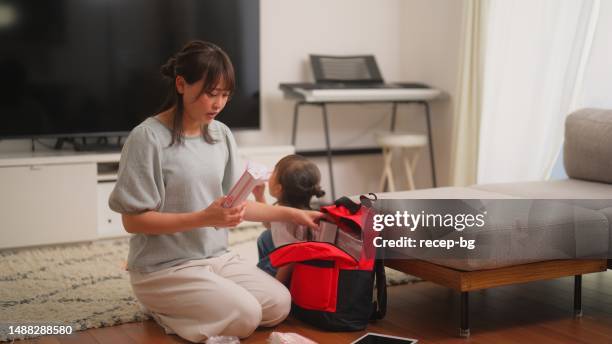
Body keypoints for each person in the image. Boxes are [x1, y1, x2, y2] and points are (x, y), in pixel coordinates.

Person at [108, 41, 322, 343]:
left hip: (215, 258)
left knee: (279, 304)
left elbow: (237, 205)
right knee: (246, 316)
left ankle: (205, 302)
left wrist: (293, 214)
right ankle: (163, 308)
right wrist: (204, 218)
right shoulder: (148, 138)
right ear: (181, 84)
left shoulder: (220, 135)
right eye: (211, 93)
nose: (218, 103)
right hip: (163, 269)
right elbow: (133, 221)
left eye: (225, 94)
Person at [252, 154, 326, 284]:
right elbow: (269, 223)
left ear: (278, 189)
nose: (270, 174)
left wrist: (278, 284)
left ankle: (268, 279)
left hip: (291, 267)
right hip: (291, 256)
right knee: (266, 237)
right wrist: (259, 196)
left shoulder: (287, 223)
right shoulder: (294, 211)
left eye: (274, 171)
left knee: (257, 278)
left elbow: (290, 261)